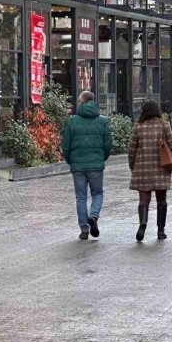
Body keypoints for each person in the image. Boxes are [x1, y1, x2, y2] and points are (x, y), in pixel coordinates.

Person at [61, 91, 112, 240]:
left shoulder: (72, 121)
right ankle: (93, 216)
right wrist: (101, 158)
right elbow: (108, 144)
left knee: (81, 197)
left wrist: (71, 160)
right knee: (97, 193)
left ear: (81, 102)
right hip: (96, 164)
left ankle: (84, 229)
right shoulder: (103, 121)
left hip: (78, 166)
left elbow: (66, 145)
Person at [129, 101, 172, 242]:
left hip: (142, 168)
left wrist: (132, 165)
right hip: (161, 167)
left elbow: (132, 149)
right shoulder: (164, 125)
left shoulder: (138, 127)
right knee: (161, 200)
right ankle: (160, 231)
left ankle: (143, 222)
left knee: (143, 200)